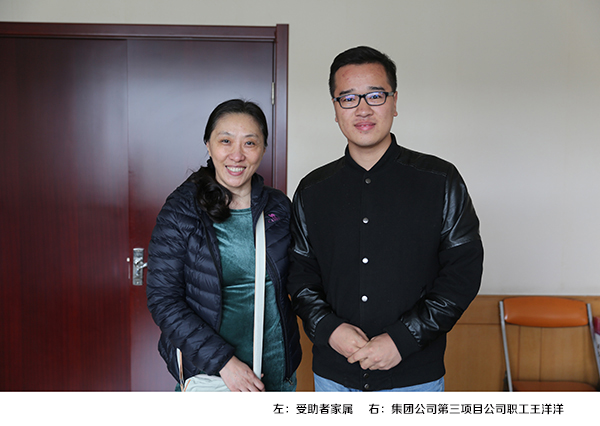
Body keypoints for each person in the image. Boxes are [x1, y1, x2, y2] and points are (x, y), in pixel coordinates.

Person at [287, 46, 484, 392]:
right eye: (348, 98)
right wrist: (329, 328)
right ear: (335, 108)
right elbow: (300, 273)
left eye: (375, 95)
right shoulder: (312, 189)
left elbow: (462, 273)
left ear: (394, 102)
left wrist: (404, 338)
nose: (362, 109)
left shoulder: (440, 180)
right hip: (334, 377)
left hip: (414, 379)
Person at [147, 99, 301, 392]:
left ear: (263, 148)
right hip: (213, 375)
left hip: (278, 371)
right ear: (208, 144)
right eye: (225, 141)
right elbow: (163, 299)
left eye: (250, 143)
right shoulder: (181, 210)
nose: (237, 155)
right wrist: (224, 363)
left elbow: (302, 276)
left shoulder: (278, 206)